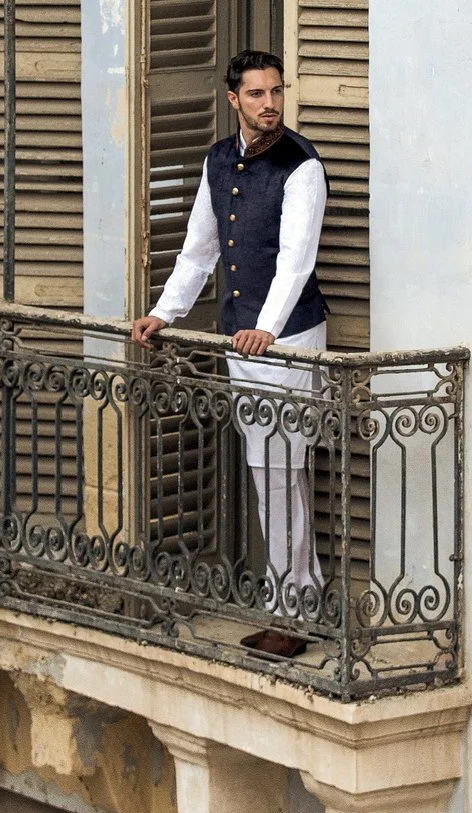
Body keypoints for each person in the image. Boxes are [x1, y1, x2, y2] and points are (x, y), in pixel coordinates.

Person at [130, 50, 331, 623]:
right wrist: (164, 313)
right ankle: (298, 596)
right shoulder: (218, 159)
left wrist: (266, 329)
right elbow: (200, 248)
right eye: (258, 95)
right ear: (233, 99)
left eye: (276, 92)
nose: (270, 104)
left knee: (281, 468)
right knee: (268, 467)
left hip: (288, 336)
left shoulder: (302, 165)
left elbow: (295, 262)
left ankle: (292, 607)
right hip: (243, 338)